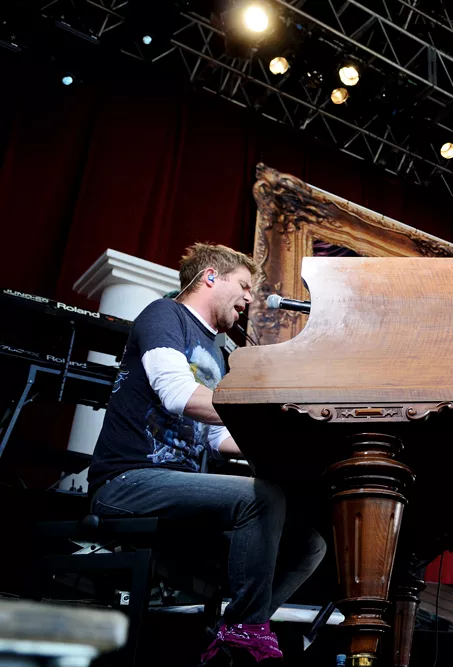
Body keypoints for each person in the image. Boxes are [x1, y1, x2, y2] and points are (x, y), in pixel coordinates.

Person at [88, 243, 327, 666]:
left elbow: (217, 438)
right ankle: (246, 632)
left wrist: (290, 443)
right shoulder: (165, 315)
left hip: (175, 491)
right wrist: (271, 415)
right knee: (260, 497)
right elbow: (177, 394)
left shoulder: (215, 352)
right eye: (244, 285)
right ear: (211, 276)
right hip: (127, 482)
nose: (250, 298)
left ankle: (233, 632)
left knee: (310, 543)